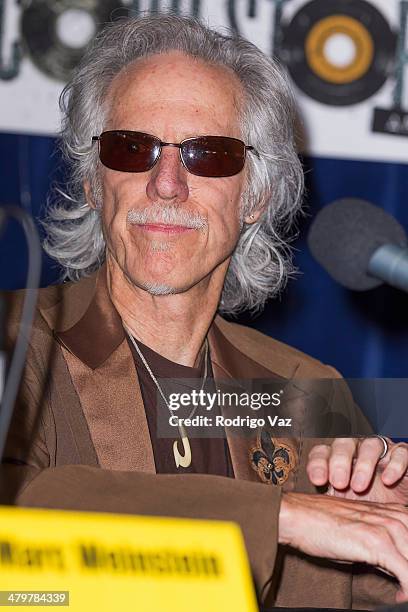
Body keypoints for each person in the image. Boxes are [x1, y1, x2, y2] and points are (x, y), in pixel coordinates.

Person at [3, 14, 408, 610]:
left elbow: (355, 590)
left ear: (256, 196)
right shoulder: (15, 342)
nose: (167, 184)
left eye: (208, 156)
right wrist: (276, 515)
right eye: (131, 148)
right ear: (94, 182)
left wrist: (390, 526)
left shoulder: (305, 389)